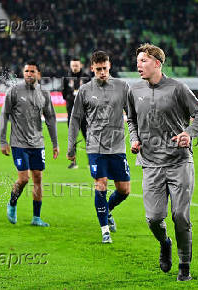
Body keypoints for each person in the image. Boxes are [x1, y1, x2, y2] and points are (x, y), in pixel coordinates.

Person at [127, 44, 198, 281]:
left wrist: (189, 133)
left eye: (143, 61)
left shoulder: (177, 88)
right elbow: (131, 120)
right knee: (153, 218)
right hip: (150, 164)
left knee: (180, 216)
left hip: (179, 163)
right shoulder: (134, 91)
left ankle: (185, 266)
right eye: (138, 60)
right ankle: (165, 243)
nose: (138, 65)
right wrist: (134, 139)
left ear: (157, 63)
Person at [67, 51, 130, 243]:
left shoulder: (122, 86)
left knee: (124, 190)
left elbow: (133, 116)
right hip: (95, 146)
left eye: (105, 68)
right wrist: (71, 147)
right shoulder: (85, 90)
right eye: (98, 69)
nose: (102, 72)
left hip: (118, 146)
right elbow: (75, 118)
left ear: (109, 66)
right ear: (92, 68)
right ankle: (104, 230)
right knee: (101, 183)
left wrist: (137, 138)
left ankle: (107, 210)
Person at [0, 61, 59, 227]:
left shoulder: (44, 94)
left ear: (38, 74)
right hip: (18, 143)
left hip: (38, 143)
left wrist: (55, 143)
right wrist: (3, 141)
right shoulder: (14, 91)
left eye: (32, 71)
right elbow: (4, 115)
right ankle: (12, 203)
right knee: (24, 178)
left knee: (38, 178)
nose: (29, 74)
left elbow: (51, 119)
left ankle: (36, 217)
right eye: (26, 71)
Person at [62, 58, 90, 169]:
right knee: (72, 139)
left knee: (88, 138)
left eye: (76, 65)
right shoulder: (66, 78)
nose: (74, 67)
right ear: (70, 65)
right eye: (73, 65)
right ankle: (73, 162)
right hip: (72, 113)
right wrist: (72, 96)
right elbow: (63, 94)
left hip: (85, 114)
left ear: (80, 65)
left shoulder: (87, 78)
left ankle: (90, 161)